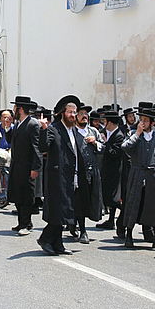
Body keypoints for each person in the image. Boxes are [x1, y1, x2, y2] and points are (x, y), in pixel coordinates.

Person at [37, 95, 83, 255]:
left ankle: (58, 244)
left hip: (71, 176)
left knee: (64, 211)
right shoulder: (53, 128)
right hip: (57, 177)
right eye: (70, 112)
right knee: (58, 211)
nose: (73, 115)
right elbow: (43, 147)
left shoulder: (74, 130)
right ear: (63, 113)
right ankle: (45, 238)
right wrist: (43, 129)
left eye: (75, 112)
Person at [120, 108, 155, 250]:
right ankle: (129, 235)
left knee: (154, 207)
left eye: (146, 120)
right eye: (141, 119)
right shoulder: (133, 134)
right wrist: (137, 133)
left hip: (154, 175)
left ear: (152, 122)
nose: (143, 122)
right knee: (133, 203)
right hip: (137, 173)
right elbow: (125, 147)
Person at [7, 96, 42, 235]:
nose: (13, 110)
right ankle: (22, 222)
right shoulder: (18, 123)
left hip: (27, 166)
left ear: (20, 109)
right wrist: (8, 128)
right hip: (17, 165)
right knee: (18, 195)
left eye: (15, 107)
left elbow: (36, 148)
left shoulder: (32, 124)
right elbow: (11, 141)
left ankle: (26, 224)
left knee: (27, 196)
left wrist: (35, 168)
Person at [71, 104, 104, 244]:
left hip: (93, 171)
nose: (84, 116)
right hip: (78, 173)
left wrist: (95, 143)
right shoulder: (72, 132)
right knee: (79, 201)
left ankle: (76, 223)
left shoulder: (93, 131)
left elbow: (103, 148)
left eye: (86, 114)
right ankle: (82, 230)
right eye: (81, 113)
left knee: (91, 200)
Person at [96, 111, 125, 231]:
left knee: (111, 197)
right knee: (108, 195)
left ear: (111, 122)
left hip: (115, 171)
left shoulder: (119, 136)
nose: (104, 124)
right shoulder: (110, 133)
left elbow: (115, 153)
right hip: (107, 170)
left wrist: (105, 143)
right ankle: (111, 220)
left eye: (105, 121)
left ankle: (124, 212)